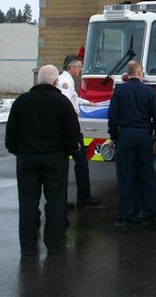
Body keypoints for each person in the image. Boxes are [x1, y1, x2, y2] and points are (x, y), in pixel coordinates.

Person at [5, 65, 80, 255]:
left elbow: (10, 135)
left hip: (27, 160)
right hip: (55, 159)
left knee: (28, 202)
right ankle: (54, 243)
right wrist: (71, 150)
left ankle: (28, 246)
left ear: (38, 80)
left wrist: (18, 152)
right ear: (56, 82)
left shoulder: (21, 102)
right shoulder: (62, 103)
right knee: (55, 201)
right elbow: (72, 132)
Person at [108, 60, 156, 232]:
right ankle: (151, 216)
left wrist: (115, 136)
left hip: (126, 135)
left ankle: (123, 218)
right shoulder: (149, 92)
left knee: (125, 178)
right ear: (140, 74)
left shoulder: (119, 91)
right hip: (143, 135)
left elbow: (113, 117)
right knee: (147, 176)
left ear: (128, 74)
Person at [57, 55, 101, 208]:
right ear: (71, 67)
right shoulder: (65, 82)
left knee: (79, 162)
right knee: (80, 162)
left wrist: (90, 103)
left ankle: (79, 197)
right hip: (70, 128)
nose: (80, 70)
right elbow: (66, 104)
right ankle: (82, 198)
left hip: (70, 126)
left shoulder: (67, 80)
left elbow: (75, 98)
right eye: (79, 67)